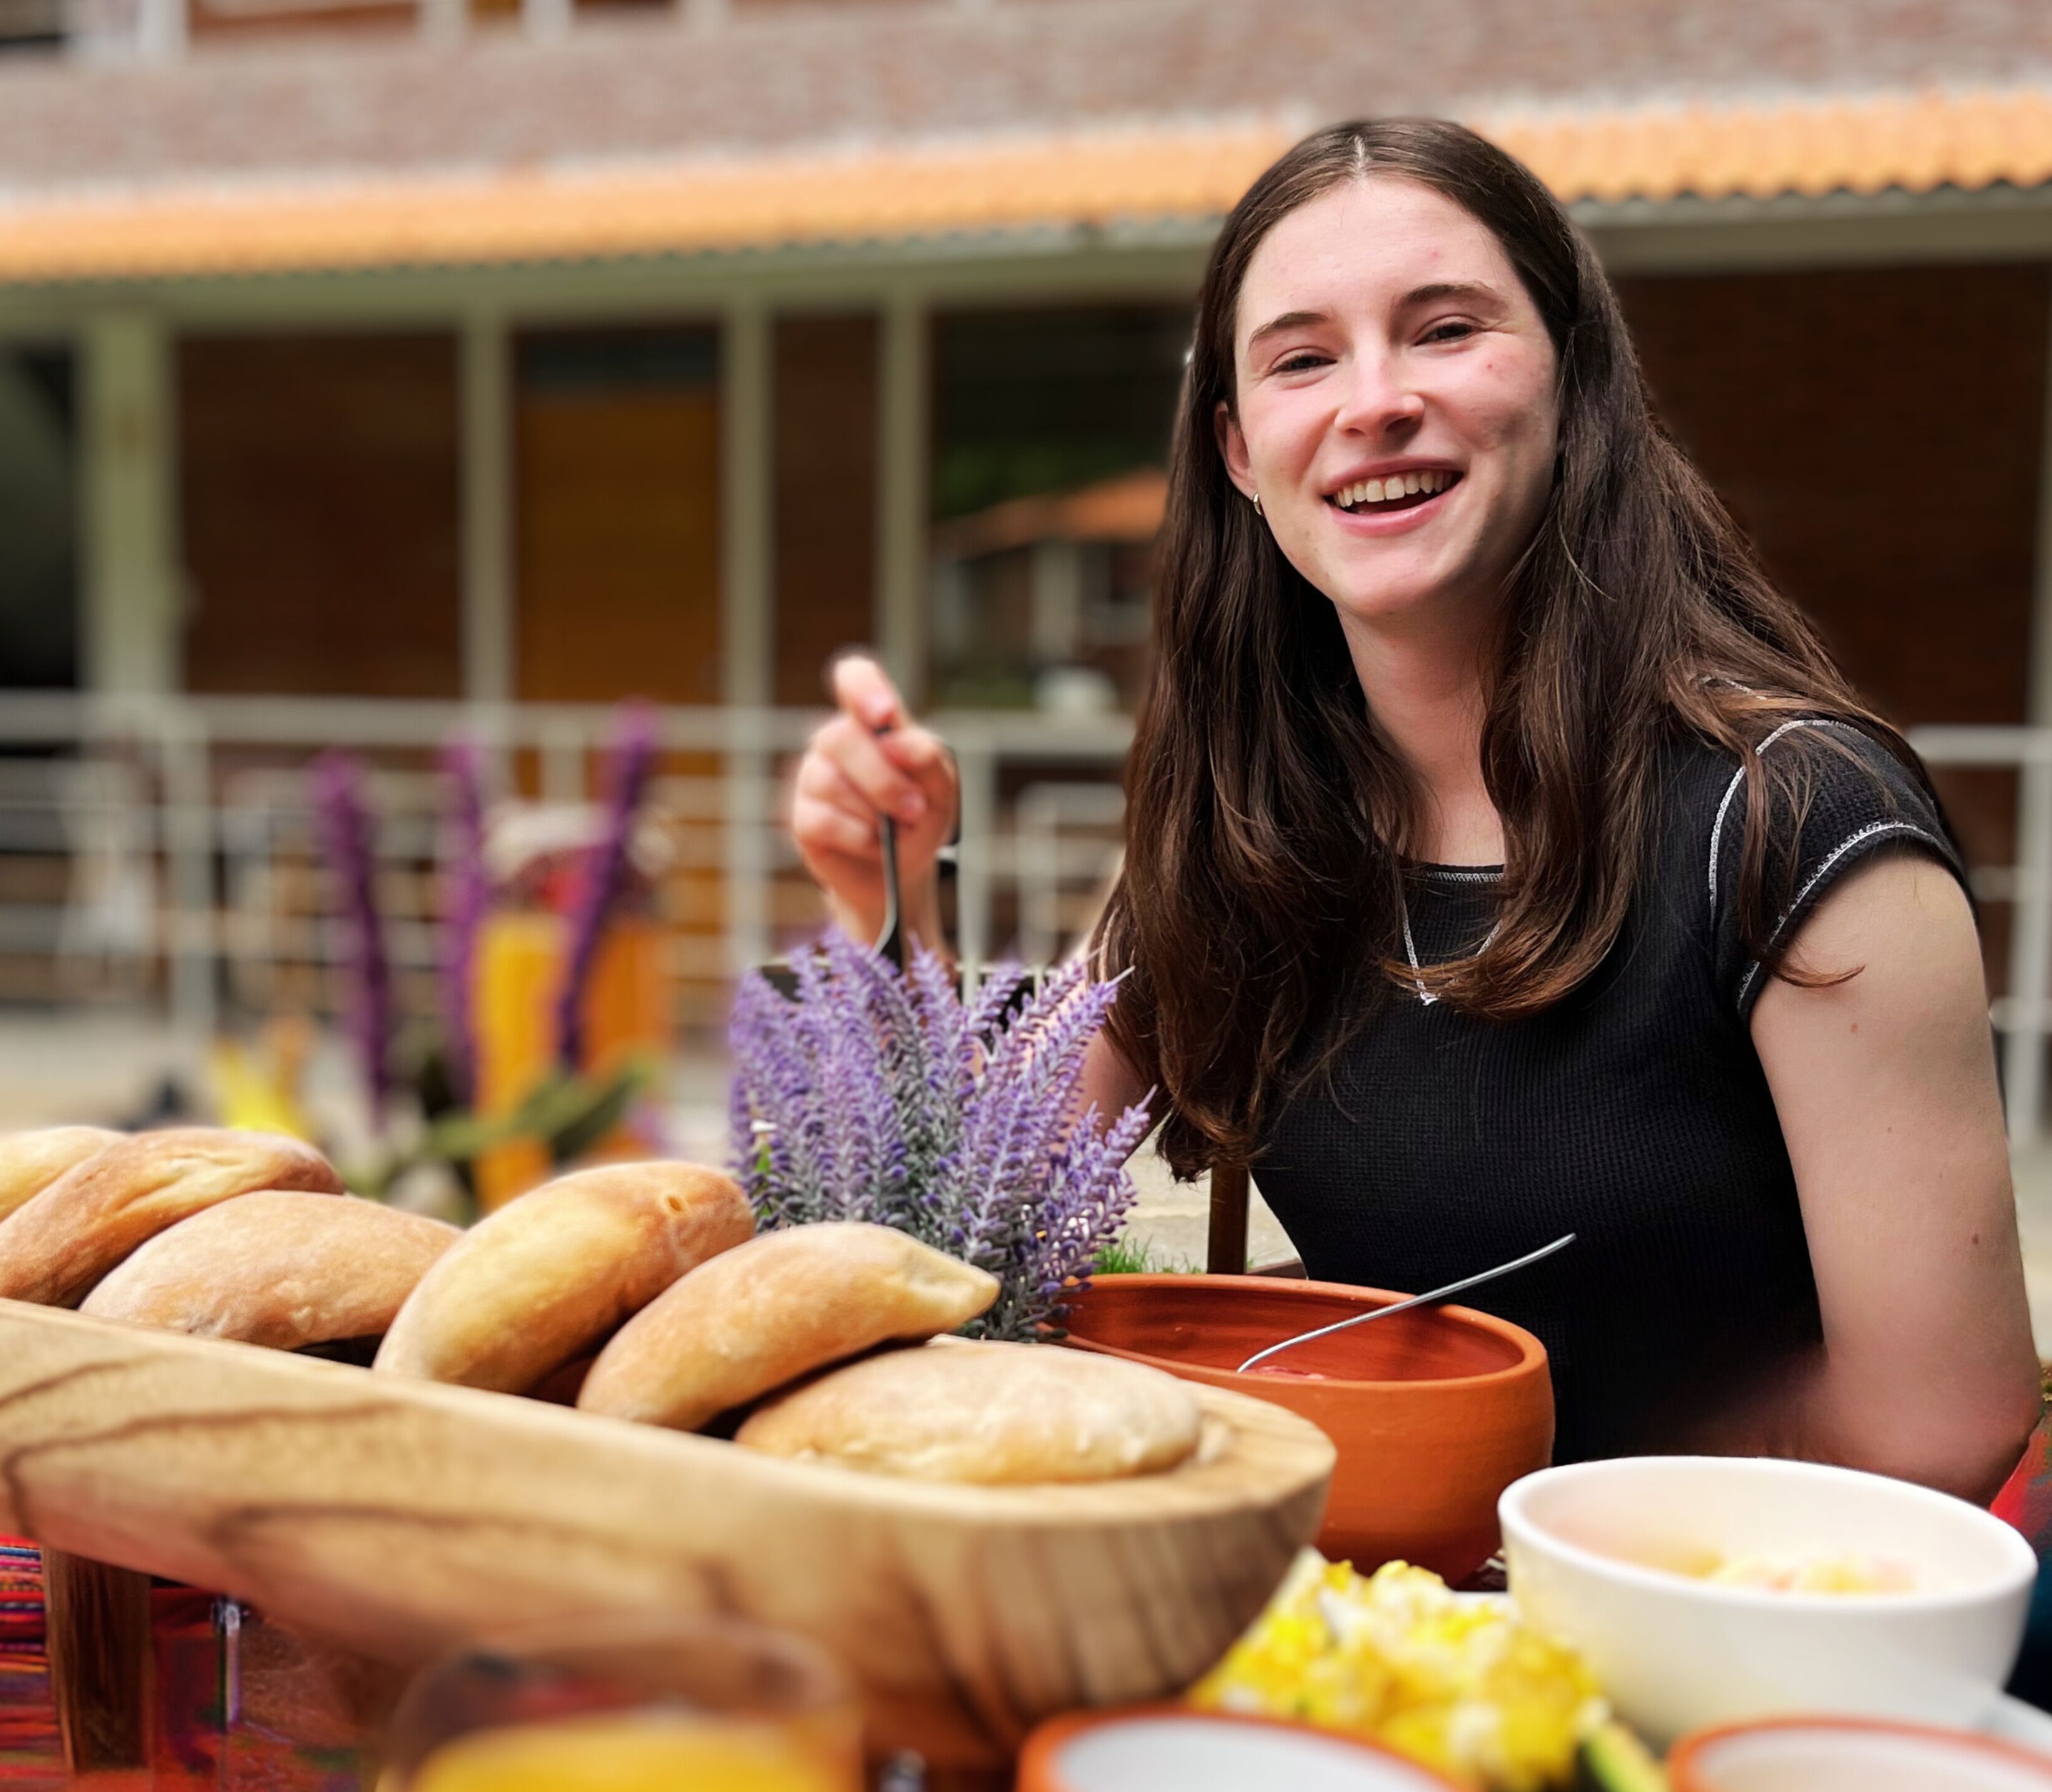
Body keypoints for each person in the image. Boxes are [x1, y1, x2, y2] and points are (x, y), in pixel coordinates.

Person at [788, 118, 2040, 1496]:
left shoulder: (1800, 831)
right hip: (1355, 1603)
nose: (1372, 401)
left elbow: (1943, 1422)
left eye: (1445, 330)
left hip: (1717, 1617)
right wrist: (892, 903)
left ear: (1577, 386)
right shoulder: (1236, 825)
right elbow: (977, 1226)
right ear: (1242, 455)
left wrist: (1509, 1502)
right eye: (1304, 358)